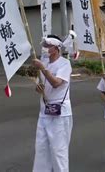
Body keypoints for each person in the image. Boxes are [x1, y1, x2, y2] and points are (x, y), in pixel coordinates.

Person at [32, 35, 73, 172]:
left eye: (48, 45)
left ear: (56, 48)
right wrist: (38, 88)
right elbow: (40, 84)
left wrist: (43, 68)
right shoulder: (45, 62)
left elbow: (56, 83)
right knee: (41, 149)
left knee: (58, 150)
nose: (45, 48)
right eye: (44, 45)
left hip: (60, 113)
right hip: (44, 111)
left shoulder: (64, 63)